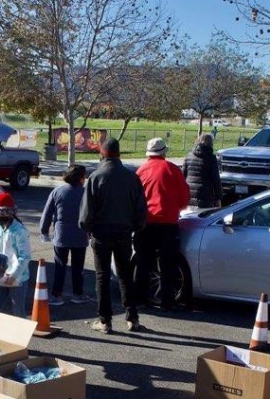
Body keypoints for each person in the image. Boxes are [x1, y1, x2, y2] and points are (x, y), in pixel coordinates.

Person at [79, 137, 147, 333]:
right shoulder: (131, 177)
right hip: (124, 233)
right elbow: (140, 209)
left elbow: (86, 214)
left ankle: (105, 320)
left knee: (102, 277)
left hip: (101, 233)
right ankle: (132, 318)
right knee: (125, 275)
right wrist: (135, 226)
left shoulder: (96, 177)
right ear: (119, 153)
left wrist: (88, 228)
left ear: (103, 152)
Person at [134, 138, 189, 311]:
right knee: (168, 264)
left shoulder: (140, 171)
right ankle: (167, 301)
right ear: (164, 152)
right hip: (168, 224)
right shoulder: (173, 170)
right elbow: (184, 199)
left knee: (143, 263)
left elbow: (134, 199)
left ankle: (141, 299)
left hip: (145, 224)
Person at [40, 165, 90, 306]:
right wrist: (91, 231)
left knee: (60, 266)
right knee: (78, 267)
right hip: (80, 235)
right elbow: (91, 215)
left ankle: (57, 295)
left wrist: (44, 231)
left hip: (61, 235)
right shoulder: (86, 193)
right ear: (81, 178)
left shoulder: (57, 191)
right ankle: (77, 294)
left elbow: (47, 213)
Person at [0, 191, 31, 320]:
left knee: (18, 313)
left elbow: (25, 256)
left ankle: (19, 338)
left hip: (18, 279)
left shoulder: (19, 230)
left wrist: (14, 275)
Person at [183, 133, 222, 209]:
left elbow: (182, 177)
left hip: (189, 195)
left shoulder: (189, 156)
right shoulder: (211, 158)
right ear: (211, 143)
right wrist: (218, 198)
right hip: (205, 197)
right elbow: (216, 180)